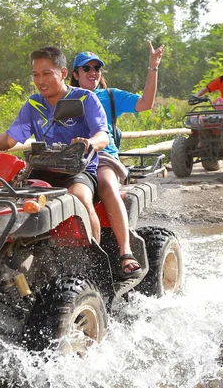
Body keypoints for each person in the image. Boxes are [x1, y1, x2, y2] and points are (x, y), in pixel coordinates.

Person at [0, 46, 110, 244]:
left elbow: (103, 136)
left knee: (80, 198)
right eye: (36, 74)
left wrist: (88, 142)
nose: (40, 80)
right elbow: (9, 139)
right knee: (7, 199)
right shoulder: (34, 104)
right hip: (42, 168)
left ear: (63, 73)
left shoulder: (85, 98)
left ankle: (93, 259)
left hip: (77, 170)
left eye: (46, 73)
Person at [70, 42, 164, 279]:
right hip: (70, 158)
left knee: (105, 182)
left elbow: (145, 104)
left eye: (96, 68)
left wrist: (153, 68)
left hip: (101, 155)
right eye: (86, 68)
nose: (93, 72)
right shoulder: (66, 97)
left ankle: (125, 252)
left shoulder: (110, 96)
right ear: (75, 74)